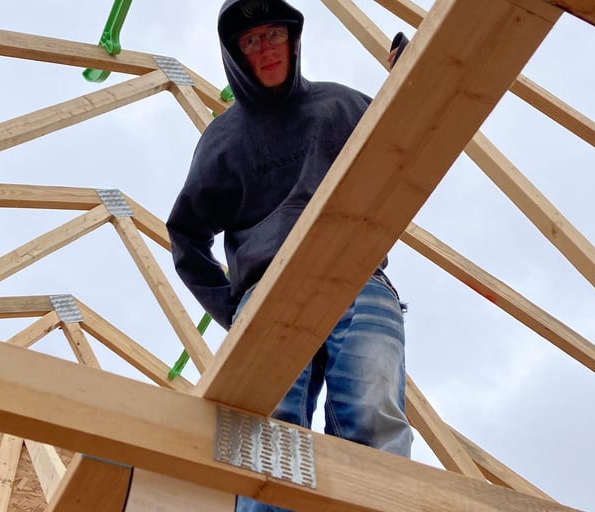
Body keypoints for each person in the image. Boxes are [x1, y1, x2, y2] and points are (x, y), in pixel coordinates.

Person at [166, 1, 413, 510]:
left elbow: (402, 138)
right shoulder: (222, 140)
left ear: (294, 40)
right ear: (236, 55)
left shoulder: (339, 105)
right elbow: (186, 235)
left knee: (373, 414)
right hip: (268, 290)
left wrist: (412, 86)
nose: (266, 49)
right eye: (251, 41)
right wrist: (234, 309)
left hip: (356, 276)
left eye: (274, 34)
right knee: (267, 437)